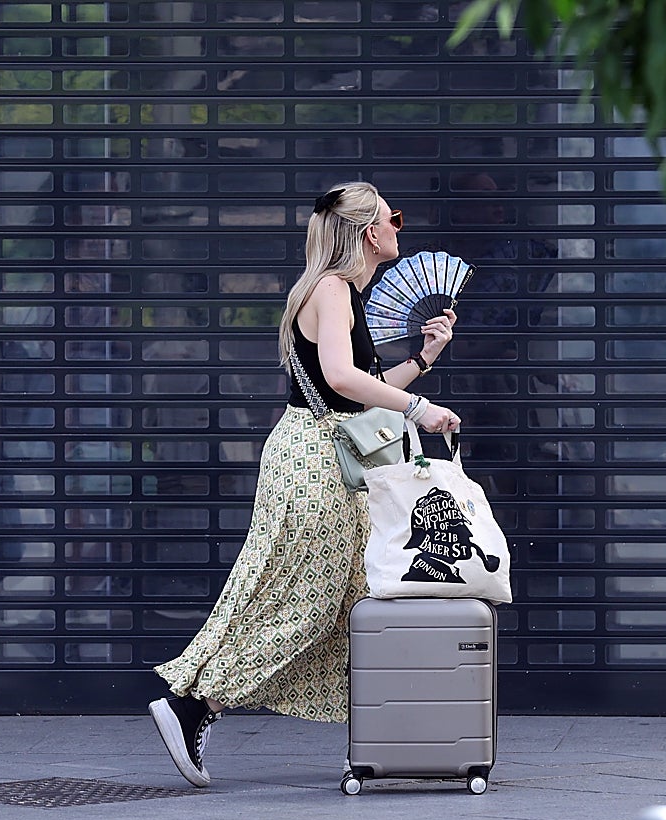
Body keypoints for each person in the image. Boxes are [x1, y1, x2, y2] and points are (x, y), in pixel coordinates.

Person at [147, 181, 461, 787]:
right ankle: (194, 703)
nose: (401, 226)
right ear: (371, 233)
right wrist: (419, 407)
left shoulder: (333, 291)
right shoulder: (333, 289)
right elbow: (345, 381)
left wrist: (423, 359)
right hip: (318, 464)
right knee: (308, 601)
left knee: (342, 598)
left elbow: (356, 389)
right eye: (394, 218)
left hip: (320, 455)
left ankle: (371, 736)